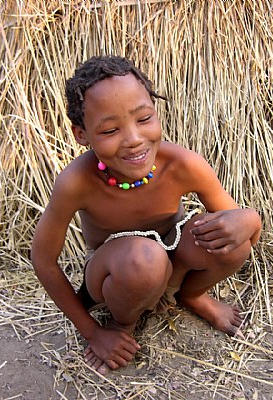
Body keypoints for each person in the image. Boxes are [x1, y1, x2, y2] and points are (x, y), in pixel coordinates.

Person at [31, 55, 261, 375]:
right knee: (144, 259)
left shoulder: (183, 164)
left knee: (236, 243)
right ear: (82, 134)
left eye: (144, 119)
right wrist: (92, 331)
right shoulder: (76, 182)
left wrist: (251, 220)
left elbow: (235, 220)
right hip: (119, 271)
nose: (134, 139)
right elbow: (43, 259)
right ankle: (122, 323)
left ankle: (190, 295)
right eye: (111, 129)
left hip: (173, 257)